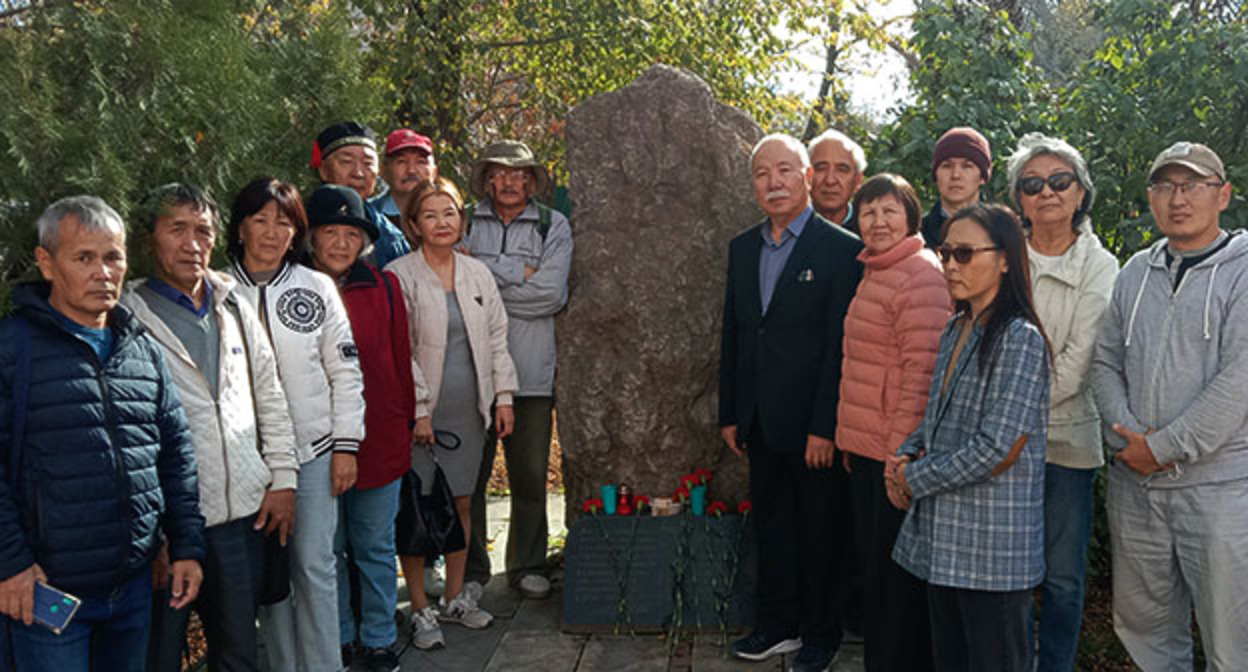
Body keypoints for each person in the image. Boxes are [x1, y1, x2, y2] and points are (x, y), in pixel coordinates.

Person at [0, 196, 205, 671]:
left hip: (133, 588)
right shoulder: (12, 350)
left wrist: (187, 545)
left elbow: (175, 454)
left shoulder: (141, 351)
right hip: (45, 592)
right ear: (47, 264)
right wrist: (9, 563)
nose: (103, 272)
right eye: (84, 258)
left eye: (113, 256)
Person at [123, 183, 300, 672]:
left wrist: (283, 477)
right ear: (150, 238)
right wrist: (154, 529)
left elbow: (270, 394)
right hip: (167, 526)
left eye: (202, 230)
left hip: (241, 516)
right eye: (176, 229)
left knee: (238, 654)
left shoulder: (233, 304)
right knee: (158, 655)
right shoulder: (126, 317)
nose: (192, 243)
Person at [1090, 142, 1248, 670]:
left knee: (1234, 638)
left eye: (1192, 186)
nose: (1177, 199)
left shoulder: (1243, 272)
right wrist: (1130, 440)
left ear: (1222, 194)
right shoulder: (1135, 271)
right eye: (1164, 186)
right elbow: (1105, 362)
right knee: (1146, 631)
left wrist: (1162, 447)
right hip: (1138, 490)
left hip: (1220, 491)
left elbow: (1239, 381)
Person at [719, 133, 863, 671]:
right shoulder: (743, 247)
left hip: (813, 427)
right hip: (758, 420)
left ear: (806, 177)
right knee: (772, 527)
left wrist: (826, 425)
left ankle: (821, 633)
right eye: (762, 173)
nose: (773, 182)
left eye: (784, 170)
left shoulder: (840, 249)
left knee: (822, 531)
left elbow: (838, 345)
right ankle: (776, 625)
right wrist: (730, 412)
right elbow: (735, 333)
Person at [887, 203, 1050, 672]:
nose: (951, 265)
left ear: (1004, 258)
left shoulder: (1019, 337)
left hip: (993, 549)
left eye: (964, 253)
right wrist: (904, 454)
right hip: (945, 538)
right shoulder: (955, 327)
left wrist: (914, 477)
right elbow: (934, 415)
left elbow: (998, 448)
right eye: (946, 253)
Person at [222, 178, 367, 672]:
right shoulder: (218, 290)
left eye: (283, 222)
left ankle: (325, 665)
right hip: (245, 461)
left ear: (297, 231)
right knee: (271, 578)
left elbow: (345, 372)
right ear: (240, 225)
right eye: (259, 220)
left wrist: (346, 445)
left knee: (314, 566)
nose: (270, 232)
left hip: (314, 451)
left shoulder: (316, 287)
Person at [387, 177, 518, 648]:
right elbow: (399, 350)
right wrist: (419, 409)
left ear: (461, 219)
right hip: (423, 417)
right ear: (414, 224)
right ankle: (420, 607)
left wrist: (503, 397)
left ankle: (457, 596)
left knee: (463, 501)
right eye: (431, 214)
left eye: (450, 213)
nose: (442, 222)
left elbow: (498, 338)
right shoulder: (399, 274)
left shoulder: (476, 273)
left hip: (471, 411)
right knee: (420, 507)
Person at [1006, 133, 1118, 672]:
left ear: (1080, 193)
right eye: (1032, 184)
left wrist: (1013, 416)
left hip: (1067, 442)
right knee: (1004, 570)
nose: (1046, 192)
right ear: (1018, 199)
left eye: (1059, 181)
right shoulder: (1001, 256)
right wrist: (1003, 428)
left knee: (1063, 577)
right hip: (1001, 446)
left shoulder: (1102, 266)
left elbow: (1079, 360)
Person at [836, 174, 950, 671]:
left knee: (893, 581)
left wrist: (897, 458)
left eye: (889, 210)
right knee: (877, 573)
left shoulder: (920, 274)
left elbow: (921, 374)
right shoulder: (878, 269)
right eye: (868, 212)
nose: (877, 221)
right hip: (867, 447)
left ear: (910, 216)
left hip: (893, 456)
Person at [303, 185, 418, 670]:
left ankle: (377, 637)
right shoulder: (295, 289)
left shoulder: (384, 286)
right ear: (310, 236)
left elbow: (399, 359)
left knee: (374, 547)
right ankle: (339, 638)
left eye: (353, 233)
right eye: (331, 231)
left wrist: (406, 424)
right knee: (325, 552)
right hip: (315, 444)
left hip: (380, 440)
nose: (342, 242)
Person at [462, 140, 572, 601]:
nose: (509, 182)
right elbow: (451, 285)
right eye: (499, 173)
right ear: (487, 179)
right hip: (468, 368)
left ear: (531, 180)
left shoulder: (553, 224)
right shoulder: (463, 218)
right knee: (470, 476)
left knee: (528, 474)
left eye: (519, 173)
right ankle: (469, 570)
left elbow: (551, 295)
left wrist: (484, 278)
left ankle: (528, 564)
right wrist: (518, 273)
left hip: (529, 371)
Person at [311, 121, 410, 269]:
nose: (358, 173)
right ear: (323, 170)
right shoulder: (298, 224)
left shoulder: (391, 237)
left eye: (368, 163)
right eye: (346, 162)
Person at [921, 127, 992, 249]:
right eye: (947, 166)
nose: (955, 175)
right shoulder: (916, 234)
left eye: (967, 166)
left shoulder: (1001, 229)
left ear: (983, 177)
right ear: (935, 175)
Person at [371, 128, 437, 227]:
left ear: (434, 172)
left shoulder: (453, 214)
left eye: (420, 162)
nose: (411, 170)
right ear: (383, 172)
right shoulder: (368, 213)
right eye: (402, 161)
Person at [808, 129, 866, 233]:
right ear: (807, 176)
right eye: (821, 168)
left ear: (858, 180)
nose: (830, 180)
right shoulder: (784, 226)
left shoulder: (870, 230)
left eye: (842, 169)